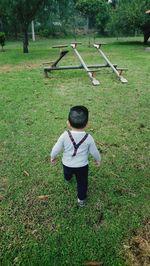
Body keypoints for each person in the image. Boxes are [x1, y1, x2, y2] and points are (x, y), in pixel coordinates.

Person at [50, 106, 101, 207]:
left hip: (67, 164)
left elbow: (56, 148)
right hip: (82, 166)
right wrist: (98, 160)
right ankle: (81, 200)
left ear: (68, 123)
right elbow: (94, 151)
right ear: (87, 124)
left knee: (67, 173)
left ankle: (68, 178)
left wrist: (53, 156)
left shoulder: (64, 135)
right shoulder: (89, 138)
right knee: (82, 183)